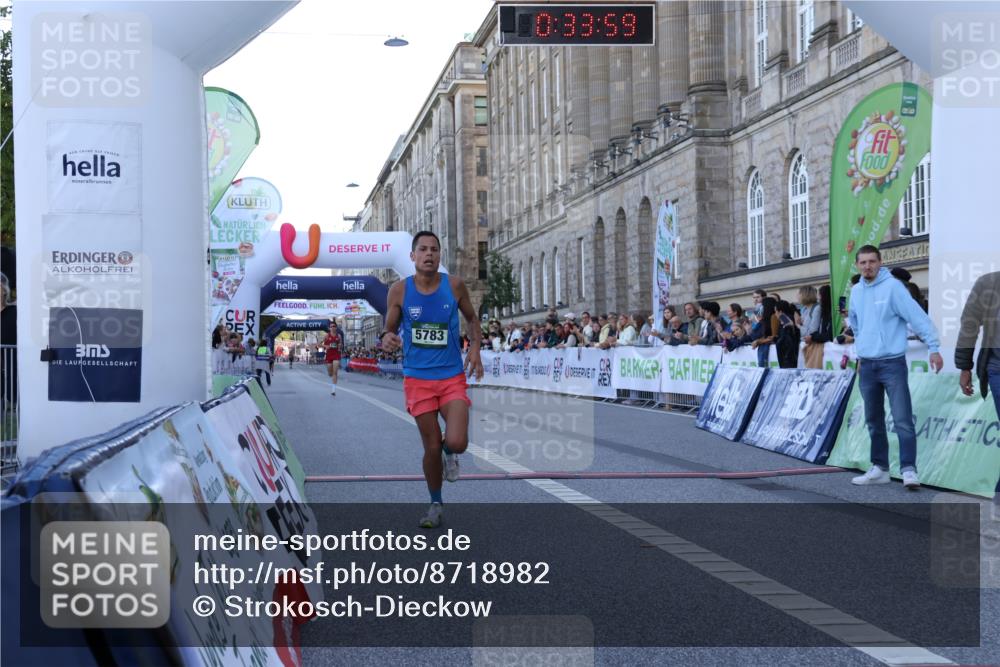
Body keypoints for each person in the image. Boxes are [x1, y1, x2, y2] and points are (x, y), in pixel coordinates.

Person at [380, 231, 484, 529]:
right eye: (423, 249)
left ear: (440, 256)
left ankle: (452, 455)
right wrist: (387, 337)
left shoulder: (454, 286)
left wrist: (475, 347)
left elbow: (472, 319)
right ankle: (435, 503)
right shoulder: (399, 291)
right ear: (412, 257)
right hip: (418, 380)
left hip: (451, 376)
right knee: (432, 448)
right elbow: (389, 327)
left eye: (435, 250)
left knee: (455, 441)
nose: (429, 254)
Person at [849, 245, 943, 490]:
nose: (867, 266)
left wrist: (933, 346)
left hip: (892, 363)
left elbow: (916, 316)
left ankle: (909, 469)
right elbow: (856, 326)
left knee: (902, 418)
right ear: (857, 265)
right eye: (863, 262)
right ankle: (880, 468)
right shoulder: (856, 291)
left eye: (872, 261)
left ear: (880, 262)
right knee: (873, 419)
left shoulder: (893, 288)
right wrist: (861, 355)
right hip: (868, 365)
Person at [798, 286, 822, 368]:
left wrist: (797, 326)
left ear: (805, 294)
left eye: (799, 294)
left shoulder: (817, 308)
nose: (797, 296)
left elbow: (812, 331)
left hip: (812, 346)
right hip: (804, 345)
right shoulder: (804, 309)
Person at [750, 297, 779, 367]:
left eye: (763, 305)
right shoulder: (764, 321)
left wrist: (759, 341)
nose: (761, 307)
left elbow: (774, 336)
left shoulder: (774, 317)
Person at [775, 300, 801, 368]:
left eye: (776, 311)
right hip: (789, 353)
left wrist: (777, 340)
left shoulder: (784, 318)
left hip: (787, 354)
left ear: (780, 311)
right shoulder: (789, 317)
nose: (775, 314)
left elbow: (785, 335)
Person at [323, 322, 343, 396]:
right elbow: (320, 344)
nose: (332, 327)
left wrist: (340, 345)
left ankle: (333, 390)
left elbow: (341, 344)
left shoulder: (339, 336)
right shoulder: (326, 335)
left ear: (336, 327)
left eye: (334, 326)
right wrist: (326, 346)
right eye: (331, 326)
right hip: (329, 355)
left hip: (336, 355)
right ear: (329, 328)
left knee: (335, 372)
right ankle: (331, 374)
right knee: (330, 373)